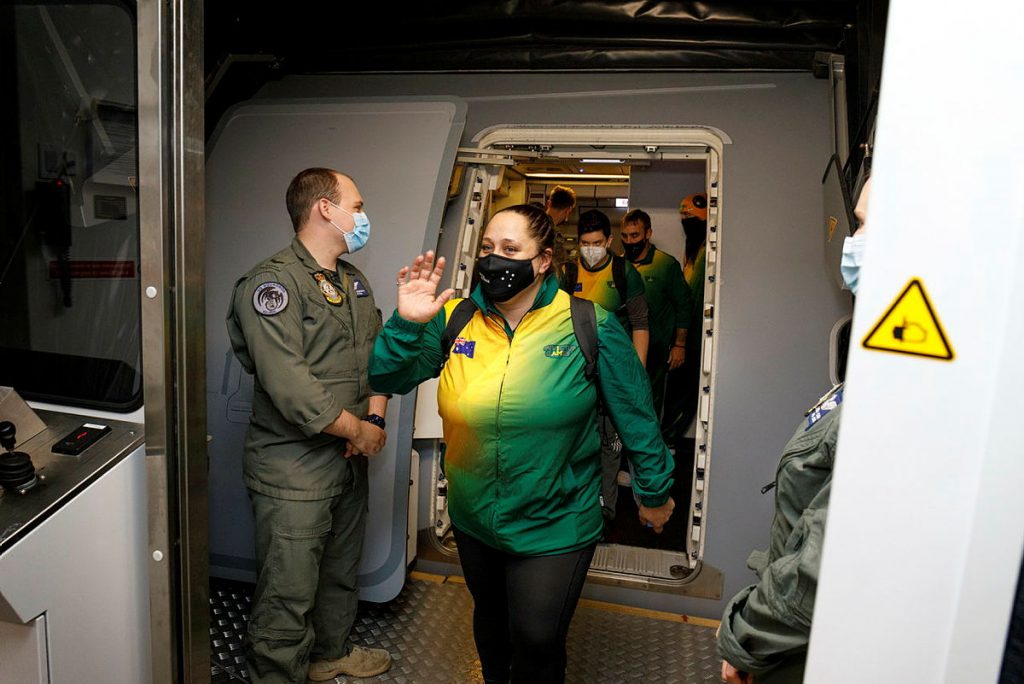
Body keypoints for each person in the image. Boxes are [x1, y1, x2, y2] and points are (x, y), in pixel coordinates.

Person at [369, 204, 675, 684]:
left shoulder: (588, 324)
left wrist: (653, 492)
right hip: (474, 517)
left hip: (556, 519)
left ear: (544, 260)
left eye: (511, 249)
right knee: (491, 628)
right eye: (488, 248)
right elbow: (387, 376)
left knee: (535, 638)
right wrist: (407, 324)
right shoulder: (456, 319)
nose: (495, 260)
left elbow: (636, 416)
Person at [226, 167, 393, 683]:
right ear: (326, 208)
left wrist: (373, 419)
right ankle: (276, 674)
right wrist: (359, 432)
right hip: (294, 470)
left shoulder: (354, 282)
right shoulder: (272, 285)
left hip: (347, 461)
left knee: (339, 571)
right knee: (288, 588)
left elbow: (379, 360)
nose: (363, 217)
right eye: (357, 206)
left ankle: (328, 655)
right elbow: (290, 386)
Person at [717, 177, 872, 683]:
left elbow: (825, 565)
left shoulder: (919, 384)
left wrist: (745, 639)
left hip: (801, 639)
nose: (852, 242)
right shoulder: (880, 361)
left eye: (868, 225)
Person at [560, 208, 650, 520]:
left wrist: (636, 374)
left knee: (611, 445)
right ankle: (573, 506)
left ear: (609, 241)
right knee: (574, 440)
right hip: (577, 372)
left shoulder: (625, 274)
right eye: (585, 243)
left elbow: (640, 323)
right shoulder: (568, 273)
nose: (590, 249)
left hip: (614, 370)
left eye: (597, 243)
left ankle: (605, 510)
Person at [620, 208, 690, 429]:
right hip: (622, 350)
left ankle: (650, 447)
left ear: (648, 234)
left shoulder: (666, 265)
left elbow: (684, 305)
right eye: (625, 236)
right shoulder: (618, 265)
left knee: (649, 404)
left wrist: (680, 345)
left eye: (635, 235)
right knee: (622, 404)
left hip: (655, 351)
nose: (629, 241)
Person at [662, 193, 709, 443]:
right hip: (685, 335)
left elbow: (694, 297)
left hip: (693, 338)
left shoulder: (705, 252)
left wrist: (682, 342)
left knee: (683, 395)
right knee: (675, 395)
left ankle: (669, 440)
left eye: (691, 220)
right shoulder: (693, 251)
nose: (687, 224)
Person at [545, 184, 577, 275]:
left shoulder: (533, 222)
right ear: (568, 210)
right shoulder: (554, 233)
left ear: (548, 203)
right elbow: (560, 263)